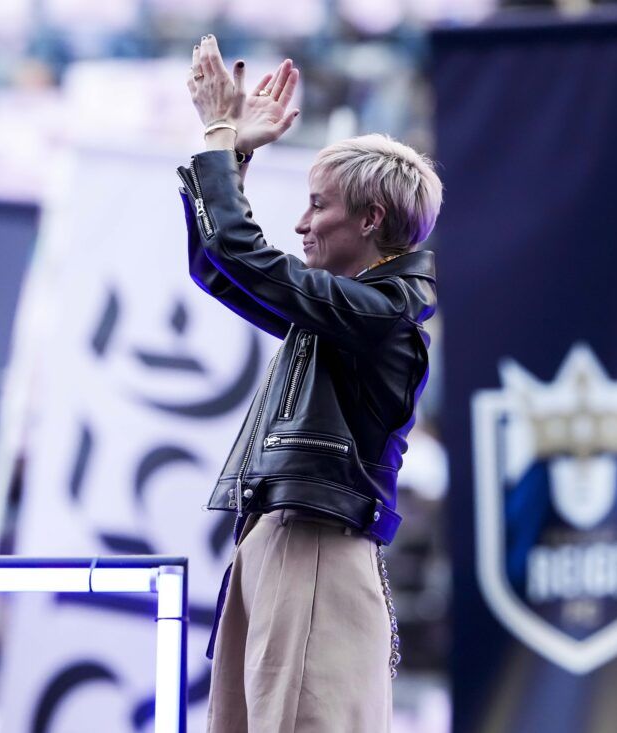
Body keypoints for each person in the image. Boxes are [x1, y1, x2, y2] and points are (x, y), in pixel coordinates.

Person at [180, 34, 442, 732]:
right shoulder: (345, 312)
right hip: (283, 539)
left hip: (314, 545)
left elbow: (241, 252)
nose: (300, 222)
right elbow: (218, 263)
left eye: (316, 204)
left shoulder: (379, 315)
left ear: (370, 219)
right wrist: (231, 156)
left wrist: (219, 134)